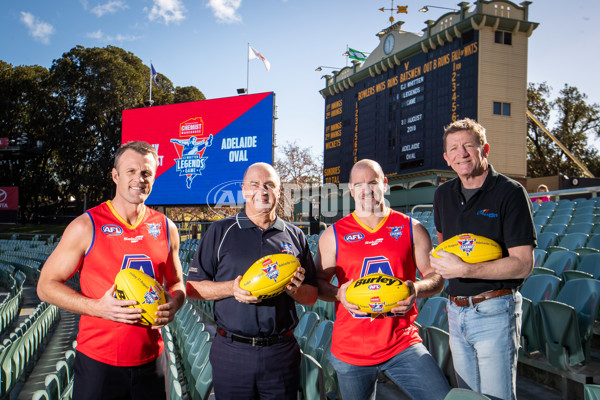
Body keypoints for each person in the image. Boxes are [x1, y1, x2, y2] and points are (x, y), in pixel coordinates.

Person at [37, 141, 186, 400]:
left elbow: (177, 283)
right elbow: (45, 286)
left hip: (152, 361)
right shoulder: (87, 225)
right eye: (131, 171)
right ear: (115, 176)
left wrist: (175, 302)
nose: (139, 179)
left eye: (146, 173)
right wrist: (97, 307)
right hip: (99, 363)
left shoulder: (165, 227)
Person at [315, 159, 450, 400]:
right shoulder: (333, 235)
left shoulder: (412, 227)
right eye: (359, 184)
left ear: (385, 185)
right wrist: (338, 294)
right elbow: (318, 283)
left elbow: (436, 276)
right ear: (351, 189)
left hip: (402, 342)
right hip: (352, 348)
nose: (366, 190)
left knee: (442, 397)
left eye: (373, 182)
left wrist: (415, 289)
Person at [186, 162, 318, 400]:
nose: (263, 190)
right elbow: (192, 288)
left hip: (281, 351)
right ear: (244, 190)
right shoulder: (220, 231)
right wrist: (231, 289)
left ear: (279, 191)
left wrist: (294, 291)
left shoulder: (295, 235)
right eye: (255, 184)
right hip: (232, 350)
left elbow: (311, 297)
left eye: (270, 185)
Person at [430, 118, 535, 400]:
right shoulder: (442, 195)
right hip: (455, 310)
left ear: (484, 148)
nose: (461, 153)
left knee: (496, 397)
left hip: (495, 309)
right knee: (468, 396)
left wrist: (466, 268)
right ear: (446, 158)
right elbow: (445, 250)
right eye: (454, 148)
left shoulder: (510, 192)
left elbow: (524, 263)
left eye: (468, 146)